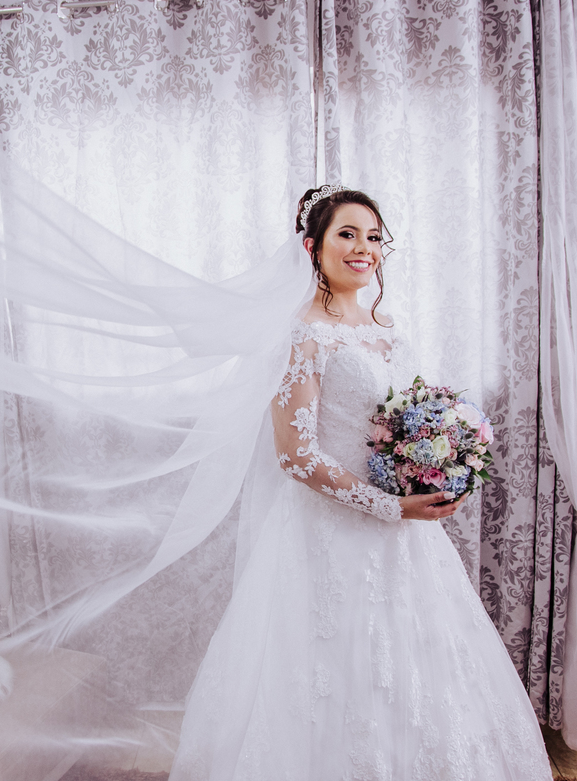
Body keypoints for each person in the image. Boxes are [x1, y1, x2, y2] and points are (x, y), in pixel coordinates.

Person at [168, 186, 553, 780]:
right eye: (346, 234)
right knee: (329, 668)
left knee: (419, 668)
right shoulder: (301, 334)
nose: (363, 248)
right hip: (328, 533)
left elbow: (406, 419)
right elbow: (296, 456)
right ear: (312, 246)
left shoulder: (389, 329)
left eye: (373, 237)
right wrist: (389, 506)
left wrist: (437, 462)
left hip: (406, 536)